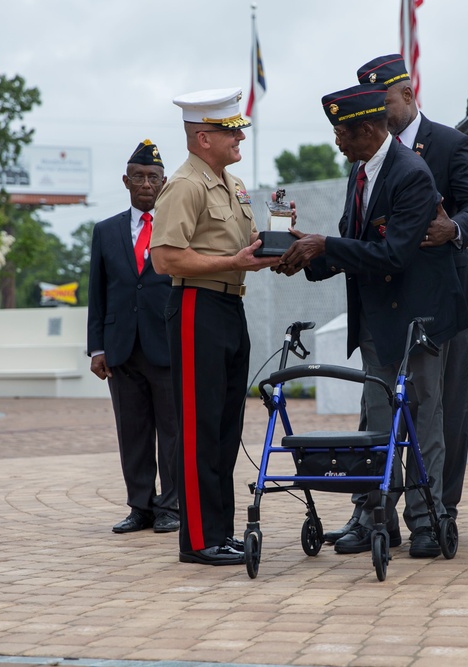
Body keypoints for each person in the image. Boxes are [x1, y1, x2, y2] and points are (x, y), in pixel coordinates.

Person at [277, 83, 468, 558]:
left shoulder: (412, 174)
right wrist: (306, 255)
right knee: (379, 425)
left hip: (417, 320)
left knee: (424, 419)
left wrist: (325, 246)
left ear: (365, 130)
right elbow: (354, 244)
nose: (336, 143)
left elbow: (393, 254)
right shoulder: (360, 170)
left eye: (340, 134)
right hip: (376, 320)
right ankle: (377, 518)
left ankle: (428, 518)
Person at [323, 55, 468, 545]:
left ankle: (438, 511)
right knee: (377, 410)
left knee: (437, 410)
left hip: (441, 298)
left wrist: (452, 228)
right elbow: (357, 230)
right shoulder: (364, 160)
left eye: (385, 100)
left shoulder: (448, 144)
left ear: (407, 95)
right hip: (382, 300)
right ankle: (373, 514)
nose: (379, 107)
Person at [149, 87, 280, 565]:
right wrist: (233, 260)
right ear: (203, 137)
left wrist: (274, 246)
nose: (239, 136)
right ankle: (199, 539)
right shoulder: (184, 185)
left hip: (229, 308)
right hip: (194, 309)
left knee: (225, 427)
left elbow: (243, 244)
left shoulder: (233, 183)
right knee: (198, 427)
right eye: (231, 130)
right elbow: (165, 258)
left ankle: (219, 532)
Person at [87, 139, 181, 536]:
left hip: (167, 344)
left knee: (172, 431)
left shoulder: (178, 226)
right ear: (126, 181)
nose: (146, 184)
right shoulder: (105, 231)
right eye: (139, 177)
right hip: (122, 347)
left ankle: (170, 507)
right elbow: (98, 292)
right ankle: (140, 506)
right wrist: (97, 347)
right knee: (133, 432)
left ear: (164, 183)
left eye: (154, 178)